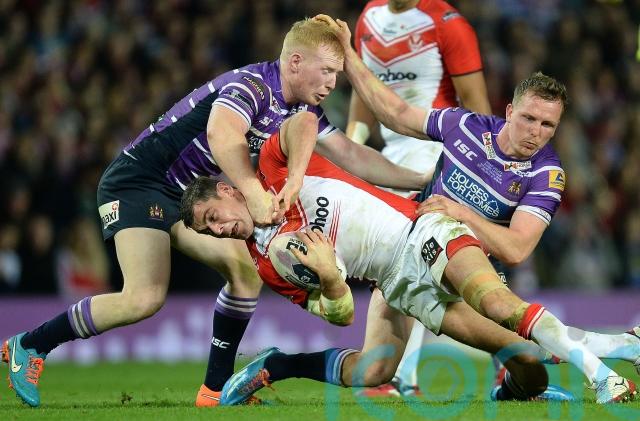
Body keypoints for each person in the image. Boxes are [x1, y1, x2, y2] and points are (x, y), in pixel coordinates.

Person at [0, 18, 428, 408]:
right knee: (144, 297)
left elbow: (351, 154)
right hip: (139, 182)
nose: (333, 82)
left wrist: (421, 178)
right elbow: (221, 134)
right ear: (296, 62)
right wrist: (252, 192)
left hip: (188, 196)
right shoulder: (252, 86)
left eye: (337, 73)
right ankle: (31, 345)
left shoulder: (301, 110)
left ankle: (214, 391)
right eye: (327, 71)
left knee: (244, 274)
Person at [180, 113, 637, 405]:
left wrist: (296, 178)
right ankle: (280, 365)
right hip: (396, 282)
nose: (218, 231)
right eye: (207, 231)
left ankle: (614, 358)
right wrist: (331, 279)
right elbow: (338, 314)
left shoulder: (273, 172)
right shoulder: (266, 264)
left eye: (213, 217)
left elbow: (301, 121)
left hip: (420, 232)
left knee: (500, 309)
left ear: (227, 191)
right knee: (376, 370)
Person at [312, 14, 640, 403]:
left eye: (547, 125)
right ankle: (279, 365)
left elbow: (517, 248)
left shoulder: (547, 174)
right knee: (373, 370)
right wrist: (349, 56)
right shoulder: (464, 125)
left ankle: (599, 361)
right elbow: (395, 114)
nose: (535, 133)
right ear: (509, 111)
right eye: (528, 118)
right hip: (407, 252)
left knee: (529, 357)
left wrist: (462, 213)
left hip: (466, 274)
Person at [346, 0, 492, 397]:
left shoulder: (448, 23)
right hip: (392, 163)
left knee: (408, 262)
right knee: (420, 269)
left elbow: (477, 109)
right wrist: (352, 148)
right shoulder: (369, 17)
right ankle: (507, 364)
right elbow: (364, 94)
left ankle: (398, 377)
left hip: (435, 157)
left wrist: (477, 171)